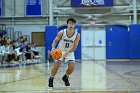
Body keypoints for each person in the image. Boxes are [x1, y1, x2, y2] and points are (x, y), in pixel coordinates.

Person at [48, 18, 80, 87]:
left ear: (75, 25)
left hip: (70, 51)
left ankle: (65, 77)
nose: (71, 25)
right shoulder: (62, 32)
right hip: (60, 51)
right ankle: (51, 78)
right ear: (67, 24)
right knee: (56, 66)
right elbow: (55, 41)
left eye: (73, 24)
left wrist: (68, 52)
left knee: (71, 68)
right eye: (70, 23)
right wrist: (53, 48)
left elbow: (75, 46)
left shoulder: (77, 35)